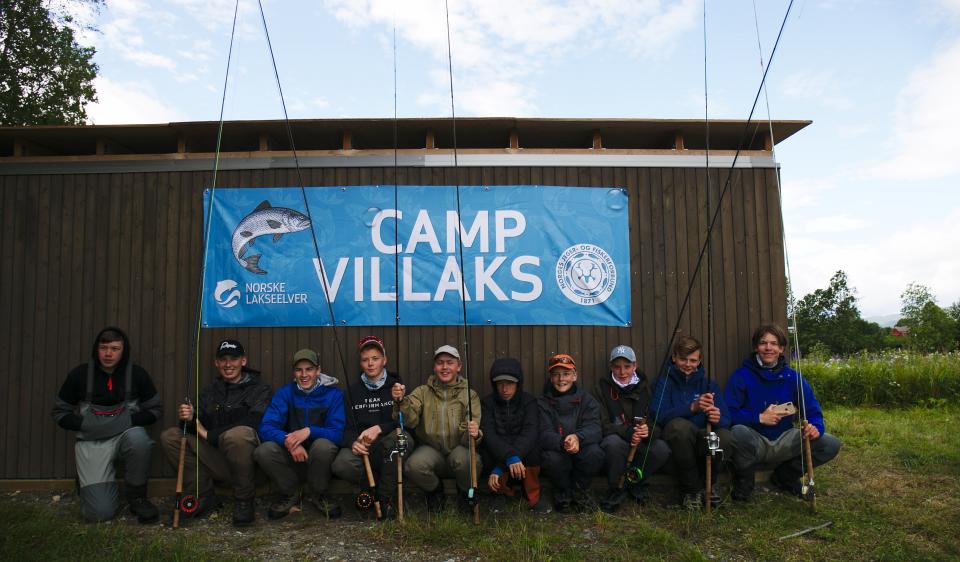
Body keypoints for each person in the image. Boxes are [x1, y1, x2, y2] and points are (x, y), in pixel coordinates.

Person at [51, 326, 162, 523]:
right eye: (103, 348)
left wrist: (127, 421)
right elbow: (59, 413)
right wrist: (84, 424)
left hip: (125, 436)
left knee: (140, 439)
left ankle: (137, 498)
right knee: (99, 513)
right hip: (91, 441)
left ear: (124, 350)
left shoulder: (137, 374)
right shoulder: (79, 375)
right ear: (96, 349)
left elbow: (155, 411)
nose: (108, 354)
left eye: (115, 348)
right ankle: (89, 486)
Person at [724, 323, 842, 501]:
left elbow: (812, 410)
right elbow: (728, 414)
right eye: (763, 343)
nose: (768, 348)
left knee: (830, 444)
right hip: (755, 439)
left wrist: (815, 427)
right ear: (756, 347)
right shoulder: (740, 376)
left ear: (781, 348)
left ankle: (785, 476)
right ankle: (745, 482)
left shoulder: (793, 377)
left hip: (785, 439)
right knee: (737, 432)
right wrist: (759, 417)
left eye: (774, 343)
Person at [160, 339, 272, 526]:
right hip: (216, 461)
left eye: (234, 359)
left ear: (243, 361)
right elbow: (190, 427)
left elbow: (255, 422)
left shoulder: (260, 389)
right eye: (223, 359)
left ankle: (244, 500)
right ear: (216, 363)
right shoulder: (209, 392)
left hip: (251, 467)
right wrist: (187, 416)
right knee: (170, 436)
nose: (228, 364)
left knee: (238, 434)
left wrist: (208, 435)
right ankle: (202, 495)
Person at [254, 348, 345, 519]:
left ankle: (319, 494)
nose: (304, 375)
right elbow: (266, 427)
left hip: (320, 461)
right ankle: (291, 493)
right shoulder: (285, 393)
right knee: (263, 450)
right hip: (292, 459)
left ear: (318, 370)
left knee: (323, 446)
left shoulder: (334, 395)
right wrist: (289, 441)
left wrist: (310, 431)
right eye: (299, 370)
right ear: (294, 372)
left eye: (309, 369)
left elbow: (338, 434)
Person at [391, 345, 482, 513]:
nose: (445, 367)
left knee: (469, 460)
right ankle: (435, 491)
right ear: (434, 367)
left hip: (458, 450)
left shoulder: (470, 394)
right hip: (431, 450)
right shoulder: (422, 392)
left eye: (450, 362)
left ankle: (465, 494)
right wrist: (401, 401)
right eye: (440, 363)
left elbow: (470, 435)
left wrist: (475, 432)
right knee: (413, 465)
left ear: (459, 366)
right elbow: (409, 421)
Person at [331, 335, 411, 518]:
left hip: (388, 441)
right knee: (342, 464)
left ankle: (384, 500)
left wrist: (380, 428)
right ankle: (370, 487)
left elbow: (406, 420)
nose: (370, 364)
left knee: (397, 444)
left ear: (384, 360)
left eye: (375, 358)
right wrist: (353, 442)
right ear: (360, 363)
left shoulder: (397, 387)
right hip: (365, 447)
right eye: (365, 360)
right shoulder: (351, 392)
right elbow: (346, 427)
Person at [652, 336, 736, 509]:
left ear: (699, 361)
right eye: (683, 359)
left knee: (725, 437)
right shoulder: (663, 381)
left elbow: (727, 420)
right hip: (678, 440)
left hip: (703, 437)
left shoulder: (708, 383)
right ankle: (690, 490)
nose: (688, 364)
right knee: (679, 427)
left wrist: (717, 418)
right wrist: (692, 407)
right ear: (674, 357)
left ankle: (709, 486)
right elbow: (658, 415)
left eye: (693, 360)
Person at [594, 345, 670, 512]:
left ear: (635, 366)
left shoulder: (646, 388)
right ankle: (616, 488)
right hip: (617, 438)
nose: (622, 371)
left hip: (640, 440)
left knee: (661, 449)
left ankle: (634, 483)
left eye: (627, 366)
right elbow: (602, 424)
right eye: (617, 367)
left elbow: (656, 422)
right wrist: (628, 433)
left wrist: (648, 431)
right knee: (613, 444)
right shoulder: (601, 388)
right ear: (610, 367)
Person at [480, 357, 548, 513]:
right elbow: (489, 434)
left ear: (518, 383)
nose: (505, 389)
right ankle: (499, 493)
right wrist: (507, 459)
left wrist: (507, 461)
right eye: (499, 383)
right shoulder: (487, 403)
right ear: (494, 384)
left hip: (521, 453)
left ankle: (532, 495)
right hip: (500, 453)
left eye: (510, 383)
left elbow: (530, 432)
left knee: (533, 448)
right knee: (488, 449)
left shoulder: (529, 401)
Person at [538, 353, 605, 512]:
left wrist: (577, 438)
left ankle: (581, 491)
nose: (561, 379)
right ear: (551, 377)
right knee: (551, 458)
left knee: (595, 452)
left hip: (581, 446)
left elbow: (595, 428)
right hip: (558, 448)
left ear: (575, 376)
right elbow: (542, 432)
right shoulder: (541, 402)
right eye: (556, 375)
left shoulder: (588, 400)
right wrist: (563, 442)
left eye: (566, 374)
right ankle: (562, 493)